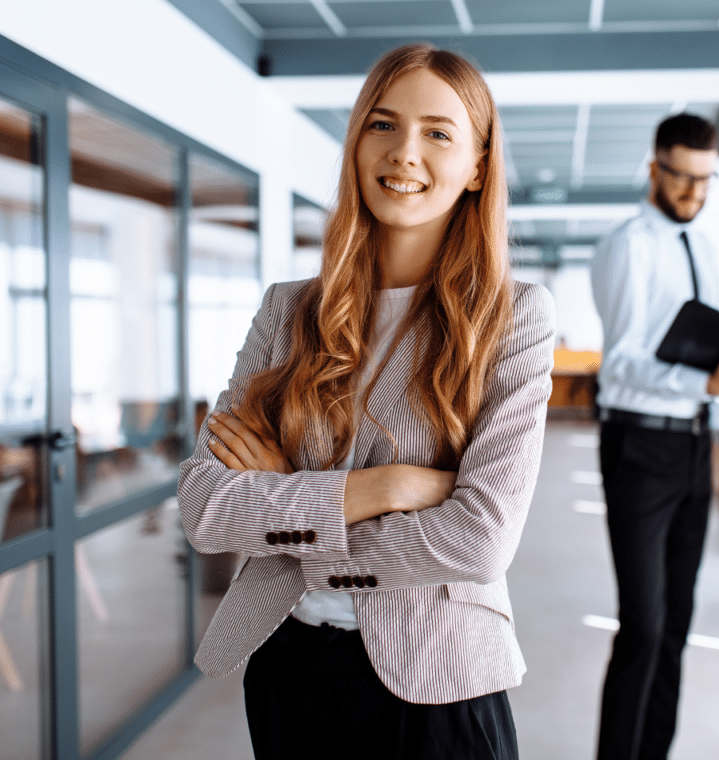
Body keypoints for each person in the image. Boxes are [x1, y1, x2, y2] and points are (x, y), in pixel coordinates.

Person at [178, 43, 554, 760]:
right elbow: (205, 508)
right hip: (291, 668)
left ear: (478, 165)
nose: (403, 152)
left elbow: (478, 540)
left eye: (438, 132)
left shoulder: (515, 318)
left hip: (439, 682)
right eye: (382, 125)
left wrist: (287, 507)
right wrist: (388, 487)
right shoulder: (287, 312)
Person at [590, 113, 719, 760]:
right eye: (682, 177)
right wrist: (707, 386)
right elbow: (619, 362)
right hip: (638, 446)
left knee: (677, 625)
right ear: (655, 170)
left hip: (693, 446)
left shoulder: (709, 244)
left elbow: (707, 353)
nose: (694, 192)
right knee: (644, 627)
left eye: (706, 180)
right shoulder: (629, 245)